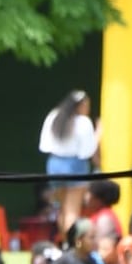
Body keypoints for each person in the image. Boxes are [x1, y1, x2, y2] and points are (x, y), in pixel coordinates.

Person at [38, 90, 99, 234]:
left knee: (61, 209)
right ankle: (71, 245)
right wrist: (98, 134)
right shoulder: (83, 122)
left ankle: (65, 241)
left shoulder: (54, 116)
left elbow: (44, 145)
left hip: (54, 164)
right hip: (74, 164)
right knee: (72, 210)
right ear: (81, 105)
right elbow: (88, 150)